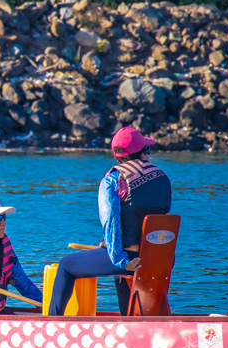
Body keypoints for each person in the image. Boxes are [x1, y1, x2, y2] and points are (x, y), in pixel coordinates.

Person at [48, 127, 172, 316]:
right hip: (159, 259)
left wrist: (121, 260)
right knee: (116, 260)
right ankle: (130, 321)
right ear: (142, 152)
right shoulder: (163, 177)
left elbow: (111, 222)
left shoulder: (113, 180)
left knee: (65, 266)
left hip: (131, 260)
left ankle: (51, 324)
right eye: (147, 149)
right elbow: (161, 219)